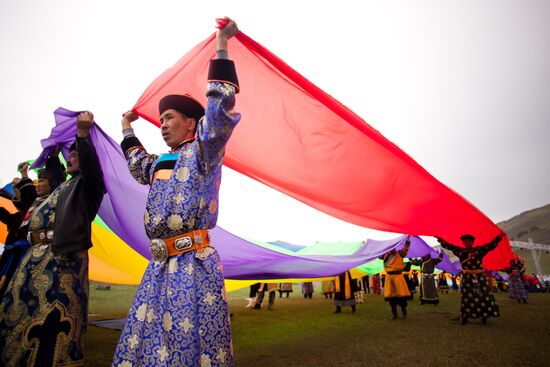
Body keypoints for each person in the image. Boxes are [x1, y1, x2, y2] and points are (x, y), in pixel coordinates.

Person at [112, 18, 240, 366]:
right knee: (146, 346)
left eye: (168, 117)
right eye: (161, 119)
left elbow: (217, 111)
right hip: (158, 268)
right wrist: (126, 127)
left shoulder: (203, 153)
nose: (163, 124)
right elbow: (136, 161)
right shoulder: (158, 163)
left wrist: (221, 44)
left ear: (190, 122)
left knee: (191, 347)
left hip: (193, 265)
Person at [0, 112, 105, 366]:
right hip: (33, 259)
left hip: (62, 261)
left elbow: (89, 166)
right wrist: (53, 152)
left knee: (50, 324)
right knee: (15, 313)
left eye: (75, 154)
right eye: (69, 154)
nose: (71, 157)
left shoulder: (88, 185)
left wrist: (82, 133)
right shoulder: (63, 186)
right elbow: (53, 173)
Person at [438, 233, 504, 325]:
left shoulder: (479, 250)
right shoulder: (460, 251)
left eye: (469, 241)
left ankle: (484, 316)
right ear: (463, 242)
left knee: (484, 295)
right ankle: (465, 317)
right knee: (467, 296)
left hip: (480, 276)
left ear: (472, 242)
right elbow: (449, 246)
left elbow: (490, 246)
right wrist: (439, 238)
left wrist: (498, 237)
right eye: (465, 241)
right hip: (467, 277)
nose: (467, 242)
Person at [0, 163, 38, 300]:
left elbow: (30, 197)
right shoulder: (18, 216)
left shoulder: (36, 213)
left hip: (24, 257)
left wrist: (24, 174)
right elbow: (5, 216)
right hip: (9, 256)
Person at [381, 238, 411, 320]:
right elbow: (375, 254)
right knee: (392, 299)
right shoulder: (385, 256)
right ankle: (395, 315)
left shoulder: (400, 253)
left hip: (398, 278)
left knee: (401, 298)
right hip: (389, 279)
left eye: (393, 247)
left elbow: (405, 249)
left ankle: (404, 314)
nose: (392, 249)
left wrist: (407, 241)